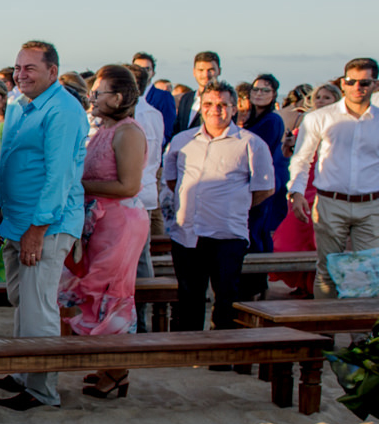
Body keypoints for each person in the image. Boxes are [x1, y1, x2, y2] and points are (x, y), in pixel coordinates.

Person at [0, 40, 86, 411]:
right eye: (17, 67)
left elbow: (58, 176)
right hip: (15, 218)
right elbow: (8, 158)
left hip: (47, 223)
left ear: (52, 72)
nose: (20, 74)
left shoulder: (63, 110)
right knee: (21, 299)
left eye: (29, 68)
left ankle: (43, 389)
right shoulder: (18, 104)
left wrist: (38, 228)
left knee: (40, 304)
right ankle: (22, 370)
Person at [57, 65, 148, 398]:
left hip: (120, 223)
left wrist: (77, 184)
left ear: (119, 97)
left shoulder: (129, 132)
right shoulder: (101, 129)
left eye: (98, 92)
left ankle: (117, 371)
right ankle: (106, 365)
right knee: (89, 289)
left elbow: (128, 185)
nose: (91, 98)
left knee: (112, 291)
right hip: (97, 220)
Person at [164, 81, 273, 333]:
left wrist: (234, 205)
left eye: (223, 105)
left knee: (226, 296)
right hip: (187, 233)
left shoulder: (250, 143)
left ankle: (223, 355)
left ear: (234, 108)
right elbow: (172, 180)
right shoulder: (182, 140)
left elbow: (264, 188)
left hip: (227, 233)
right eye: (209, 104)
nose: (216, 110)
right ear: (201, 107)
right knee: (188, 294)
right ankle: (188, 352)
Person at [286, 58, 379, 298]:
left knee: (368, 271)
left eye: (364, 82)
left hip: (371, 205)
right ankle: (325, 333)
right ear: (343, 84)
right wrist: (296, 192)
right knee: (326, 271)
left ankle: (361, 336)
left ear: (374, 85)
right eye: (351, 81)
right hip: (330, 201)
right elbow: (302, 157)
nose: (357, 87)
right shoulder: (319, 118)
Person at [271, 82, 340, 295]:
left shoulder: (341, 125)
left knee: (318, 240)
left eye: (327, 98)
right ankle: (303, 283)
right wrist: (289, 145)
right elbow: (290, 156)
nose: (321, 101)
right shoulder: (307, 123)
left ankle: (316, 287)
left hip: (325, 184)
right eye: (318, 97)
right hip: (304, 184)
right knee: (292, 238)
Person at [123, 61, 166, 333]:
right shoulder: (155, 113)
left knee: (135, 259)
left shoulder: (135, 116)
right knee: (141, 256)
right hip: (147, 190)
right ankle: (139, 314)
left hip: (133, 192)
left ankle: (137, 314)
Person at [241, 73, 289, 298]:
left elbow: (257, 149)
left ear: (274, 95)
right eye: (256, 90)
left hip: (263, 182)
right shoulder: (250, 118)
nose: (259, 94)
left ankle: (257, 283)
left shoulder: (272, 120)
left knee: (257, 232)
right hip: (247, 182)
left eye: (265, 90)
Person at [172, 51, 222, 138]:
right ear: (194, 72)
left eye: (210, 70)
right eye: (201, 70)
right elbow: (178, 128)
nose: (206, 75)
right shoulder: (186, 99)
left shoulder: (224, 99)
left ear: (219, 71)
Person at [132, 52, 177, 144]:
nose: (142, 72)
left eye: (147, 69)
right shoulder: (128, 96)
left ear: (153, 73)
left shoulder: (163, 96)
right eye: (137, 69)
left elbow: (168, 128)